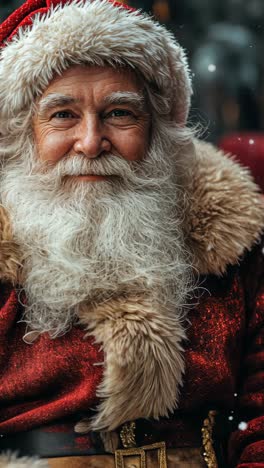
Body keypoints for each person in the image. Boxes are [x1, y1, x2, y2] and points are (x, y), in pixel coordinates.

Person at [0, 1, 263, 467]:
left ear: (158, 130)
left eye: (120, 113)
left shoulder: (229, 243)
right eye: (62, 115)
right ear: (24, 132)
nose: (90, 141)